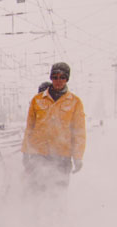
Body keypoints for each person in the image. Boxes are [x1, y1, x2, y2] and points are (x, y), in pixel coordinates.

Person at [21, 62, 86, 194]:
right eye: (55, 77)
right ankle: (37, 215)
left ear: (67, 79)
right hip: (39, 155)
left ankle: (57, 215)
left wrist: (78, 156)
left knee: (58, 194)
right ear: (51, 78)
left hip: (62, 156)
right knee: (37, 193)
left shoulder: (75, 102)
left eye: (62, 77)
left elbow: (79, 132)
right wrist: (25, 152)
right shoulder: (37, 100)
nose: (58, 81)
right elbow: (30, 128)